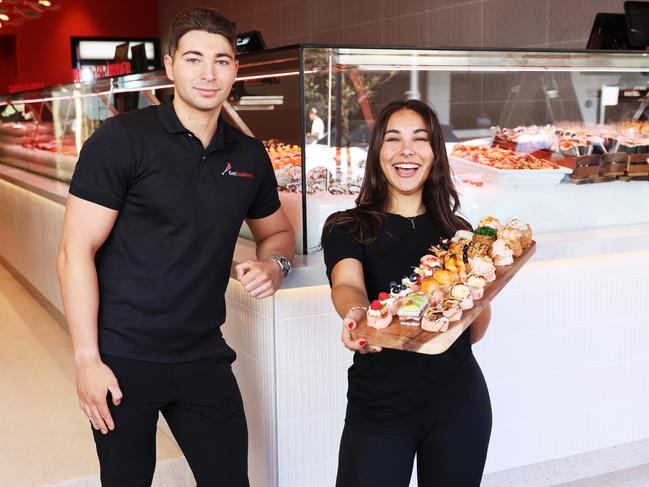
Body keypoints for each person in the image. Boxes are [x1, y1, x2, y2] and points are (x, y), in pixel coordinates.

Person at [56, 8, 294, 487]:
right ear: (170, 66)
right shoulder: (121, 140)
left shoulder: (247, 154)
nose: (208, 73)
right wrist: (86, 359)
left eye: (222, 60)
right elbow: (74, 252)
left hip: (203, 355)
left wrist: (276, 265)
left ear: (235, 70)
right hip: (122, 358)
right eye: (193, 59)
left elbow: (278, 233)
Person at [321, 99, 492, 487]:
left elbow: (475, 332)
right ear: (378, 152)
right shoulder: (347, 226)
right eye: (393, 139)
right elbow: (347, 283)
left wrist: (479, 288)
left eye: (420, 139)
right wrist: (357, 316)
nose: (407, 150)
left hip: (458, 400)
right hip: (379, 404)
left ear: (435, 154)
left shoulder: (458, 232)